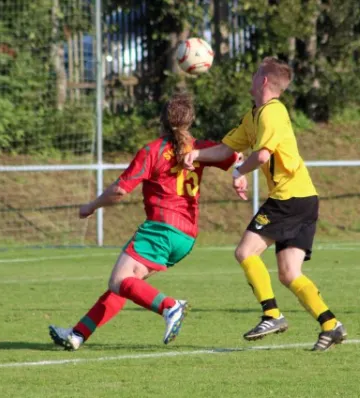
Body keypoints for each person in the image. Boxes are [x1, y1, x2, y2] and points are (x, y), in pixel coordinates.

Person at [48, 93, 239, 350]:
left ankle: (170, 306)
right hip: (185, 237)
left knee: (118, 281)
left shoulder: (153, 151)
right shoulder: (200, 148)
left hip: (162, 228)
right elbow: (234, 155)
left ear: (161, 120)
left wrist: (91, 206)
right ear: (190, 121)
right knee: (126, 285)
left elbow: (120, 190)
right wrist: (241, 175)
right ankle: (77, 334)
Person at [183, 57, 346, 351]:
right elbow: (225, 148)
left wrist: (238, 172)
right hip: (304, 198)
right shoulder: (254, 116)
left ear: (265, 81)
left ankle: (272, 314)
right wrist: (195, 155)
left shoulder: (273, 112)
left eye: (256, 73)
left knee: (245, 252)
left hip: (289, 198)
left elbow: (261, 156)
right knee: (289, 274)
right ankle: (330, 325)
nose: (252, 77)